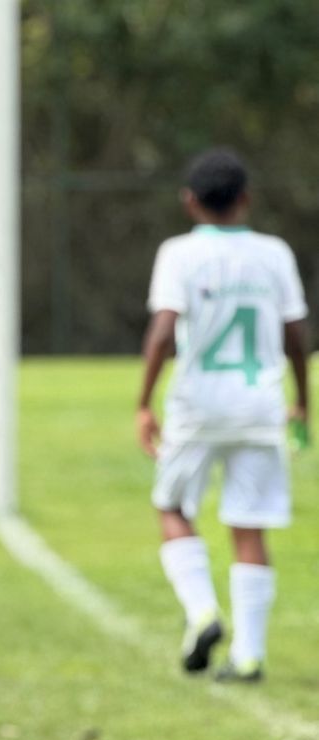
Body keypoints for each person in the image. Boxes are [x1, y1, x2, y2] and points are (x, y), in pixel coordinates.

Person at [137, 148, 309, 683]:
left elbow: (165, 330)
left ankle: (203, 612)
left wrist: (144, 401)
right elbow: (295, 333)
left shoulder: (178, 254)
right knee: (249, 525)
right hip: (260, 405)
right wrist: (303, 399)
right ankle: (250, 655)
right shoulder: (275, 253)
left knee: (171, 506)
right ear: (246, 199)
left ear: (189, 202)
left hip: (198, 405)